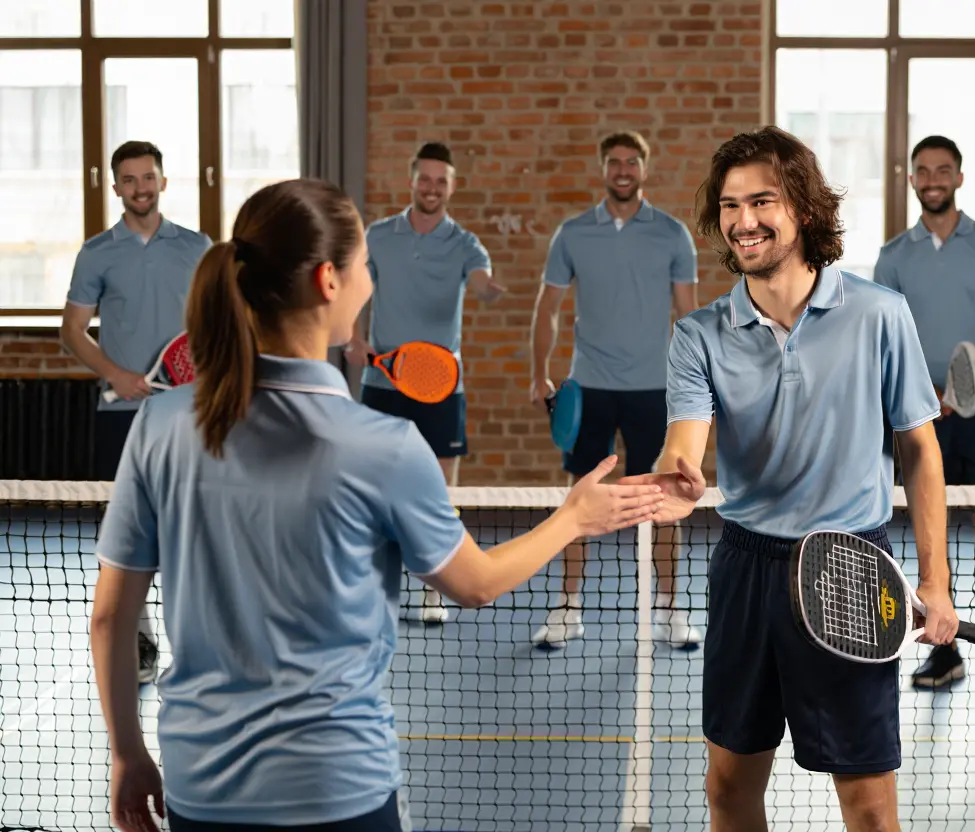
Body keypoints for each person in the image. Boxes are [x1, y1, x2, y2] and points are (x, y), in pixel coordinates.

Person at [87, 178, 665, 832]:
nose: (370, 279)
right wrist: (574, 518)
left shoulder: (158, 425)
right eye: (365, 264)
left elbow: (111, 619)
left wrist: (127, 754)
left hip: (199, 790)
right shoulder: (385, 446)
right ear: (329, 281)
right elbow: (475, 584)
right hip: (340, 791)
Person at [621, 126, 960, 832]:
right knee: (727, 788)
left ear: (803, 208)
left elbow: (920, 452)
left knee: (869, 806)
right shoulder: (698, 335)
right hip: (747, 570)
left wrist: (936, 581)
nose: (743, 220)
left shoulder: (880, 314)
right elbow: (684, 443)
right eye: (729, 205)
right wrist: (675, 481)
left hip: (851, 568)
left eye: (761, 202)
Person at [528, 130, 702, 649]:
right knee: (580, 496)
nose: (623, 170)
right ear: (603, 168)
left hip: (654, 388)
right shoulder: (573, 233)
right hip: (591, 387)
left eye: (632, 162)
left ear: (644, 169)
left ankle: (669, 608)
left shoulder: (672, 234)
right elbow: (547, 307)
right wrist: (539, 372)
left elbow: (688, 314)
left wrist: (695, 382)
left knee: (664, 499)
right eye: (614, 162)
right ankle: (567, 607)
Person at [873, 135, 975, 697]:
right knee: (930, 534)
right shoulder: (893, 256)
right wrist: (922, 393)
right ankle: (944, 648)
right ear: (911, 179)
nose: (933, 179)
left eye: (943, 170)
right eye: (923, 170)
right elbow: (886, 340)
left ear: (959, 178)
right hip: (921, 417)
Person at [61, 140, 211, 686]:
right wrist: (116, 374)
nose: (140, 188)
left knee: (190, 529)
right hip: (121, 413)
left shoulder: (198, 248)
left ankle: (194, 647)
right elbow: (72, 331)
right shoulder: (96, 252)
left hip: (188, 414)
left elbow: (219, 323)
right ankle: (142, 642)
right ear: (115, 187)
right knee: (127, 534)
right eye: (129, 179)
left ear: (163, 182)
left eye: (148, 177)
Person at [347, 141, 504, 625]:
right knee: (372, 489)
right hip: (383, 382)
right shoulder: (378, 235)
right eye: (425, 179)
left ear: (451, 187)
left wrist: (485, 289)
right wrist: (354, 337)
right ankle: (371, 589)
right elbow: (354, 290)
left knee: (439, 493)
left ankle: (435, 592)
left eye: (441, 181)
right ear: (412, 181)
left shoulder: (466, 244)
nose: (432, 188)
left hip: (441, 388)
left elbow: (480, 279)